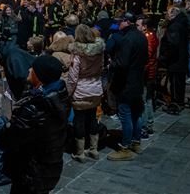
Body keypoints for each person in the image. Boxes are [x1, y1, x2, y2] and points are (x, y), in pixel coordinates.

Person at [0, 55, 70, 194]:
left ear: (40, 77)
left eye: (33, 69)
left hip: (30, 172)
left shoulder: (35, 108)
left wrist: (6, 126)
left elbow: (8, 138)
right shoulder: (59, 97)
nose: (29, 69)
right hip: (48, 167)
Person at [107, 11, 148, 161]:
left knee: (125, 115)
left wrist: (112, 64)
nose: (118, 24)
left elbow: (122, 63)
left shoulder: (127, 39)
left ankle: (125, 148)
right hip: (137, 81)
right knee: (136, 113)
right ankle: (136, 142)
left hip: (126, 83)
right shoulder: (141, 36)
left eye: (120, 22)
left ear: (127, 22)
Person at [67, 24, 105, 163]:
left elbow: (73, 77)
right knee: (93, 118)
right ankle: (94, 149)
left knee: (79, 120)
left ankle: (80, 152)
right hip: (96, 89)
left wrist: (69, 92)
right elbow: (101, 68)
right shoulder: (99, 50)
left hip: (81, 91)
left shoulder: (77, 53)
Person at [136, 16, 159, 138]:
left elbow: (146, 56)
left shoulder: (147, 37)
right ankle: (149, 124)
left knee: (144, 100)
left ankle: (144, 127)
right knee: (148, 100)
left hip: (146, 74)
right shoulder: (151, 35)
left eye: (138, 25)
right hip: (150, 73)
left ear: (144, 26)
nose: (136, 27)